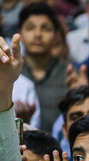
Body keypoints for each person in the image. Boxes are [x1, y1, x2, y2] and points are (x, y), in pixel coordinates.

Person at [18, 2, 67, 132]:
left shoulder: (70, 75)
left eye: (45, 28)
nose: (38, 34)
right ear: (20, 34)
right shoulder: (11, 73)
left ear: (57, 36)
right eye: (30, 28)